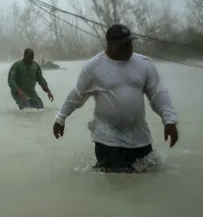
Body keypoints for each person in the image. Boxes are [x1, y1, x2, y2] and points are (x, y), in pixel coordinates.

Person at [52, 24, 179, 173]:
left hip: (140, 139)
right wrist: (61, 118)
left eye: (130, 43)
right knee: (114, 187)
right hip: (107, 141)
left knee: (146, 183)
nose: (129, 48)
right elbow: (77, 95)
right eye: (124, 45)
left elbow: (158, 93)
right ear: (111, 44)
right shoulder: (93, 67)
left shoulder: (144, 64)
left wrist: (169, 120)